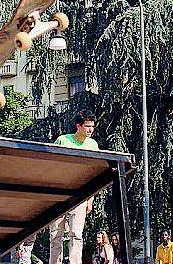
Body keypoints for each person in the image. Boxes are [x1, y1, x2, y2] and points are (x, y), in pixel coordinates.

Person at [47, 111, 99, 264]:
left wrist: (90, 199)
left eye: (92, 127)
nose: (90, 130)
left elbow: (94, 174)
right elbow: (51, 166)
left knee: (76, 233)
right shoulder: (63, 140)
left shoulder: (92, 145)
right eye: (87, 126)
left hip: (81, 194)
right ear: (78, 126)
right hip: (59, 193)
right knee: (55, 234)